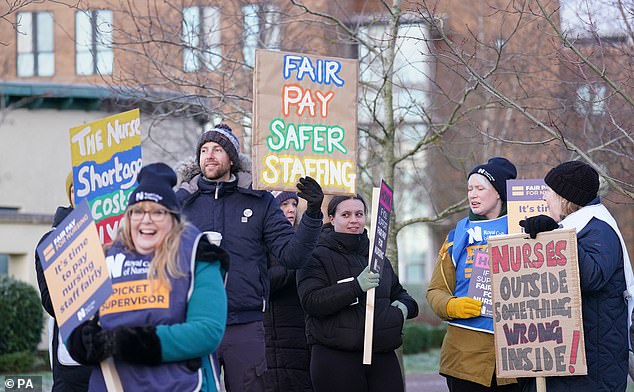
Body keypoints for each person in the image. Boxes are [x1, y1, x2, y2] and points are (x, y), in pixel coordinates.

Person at [177, 123, 324, 391]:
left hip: (245, 324)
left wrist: (313, 213)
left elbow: (293, 256)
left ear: (231, 158)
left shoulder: (260, 200)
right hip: (194, 322)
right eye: (204, 150)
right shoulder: (183, 203)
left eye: (218, 149)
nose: (209, 155)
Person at [67, 162, 228, 392]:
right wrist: (85, 343)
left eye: (157, 212)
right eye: (138, 211)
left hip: (179, 385)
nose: (146, 220)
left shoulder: (197, 255)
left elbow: (207, 331)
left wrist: (130, 342)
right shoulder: (107, 257)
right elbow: (79, 323)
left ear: (173, 218)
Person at [519, 161, 632, 392]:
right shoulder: (583, 228)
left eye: (548, 191)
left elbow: (591, 277)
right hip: (575, 364)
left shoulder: (600, 230)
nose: (543, 198)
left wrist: (555, 237)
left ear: (565, 197)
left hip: (592, 369)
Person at [297, 194, 419, 392]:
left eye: (359, 214)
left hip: (382, 355)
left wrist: (404, 309)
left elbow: (402, 295)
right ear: (331, 218)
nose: (354, 220)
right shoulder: (314, 255)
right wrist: (355, 287)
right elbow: (311, 301)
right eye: (346, 214)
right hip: (336, 358)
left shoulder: (377, 257)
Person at [426, 157, 519, 392]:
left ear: (498, 193)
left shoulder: (523, 228)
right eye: (469, 189)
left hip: (518, 358)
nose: (472, 195)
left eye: (480, 188)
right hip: (465, 361)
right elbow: (435, 291)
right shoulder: (457, 236)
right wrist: (452, 306)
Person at [35, 171, 91, 391]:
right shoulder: (52, 241)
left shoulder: (119, 236)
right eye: (76, 189)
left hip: (114, 351)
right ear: (70, 195)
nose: (82, 194)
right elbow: (51, 302)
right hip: (72, 357)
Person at [264, 191, 312, 392]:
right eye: (283, 204)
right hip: (270, 333)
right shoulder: (261, 243)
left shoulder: (305, 239)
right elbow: (265, 283)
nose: (291, 209)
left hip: (301, 332)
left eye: (294, 203)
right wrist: (297, 259)